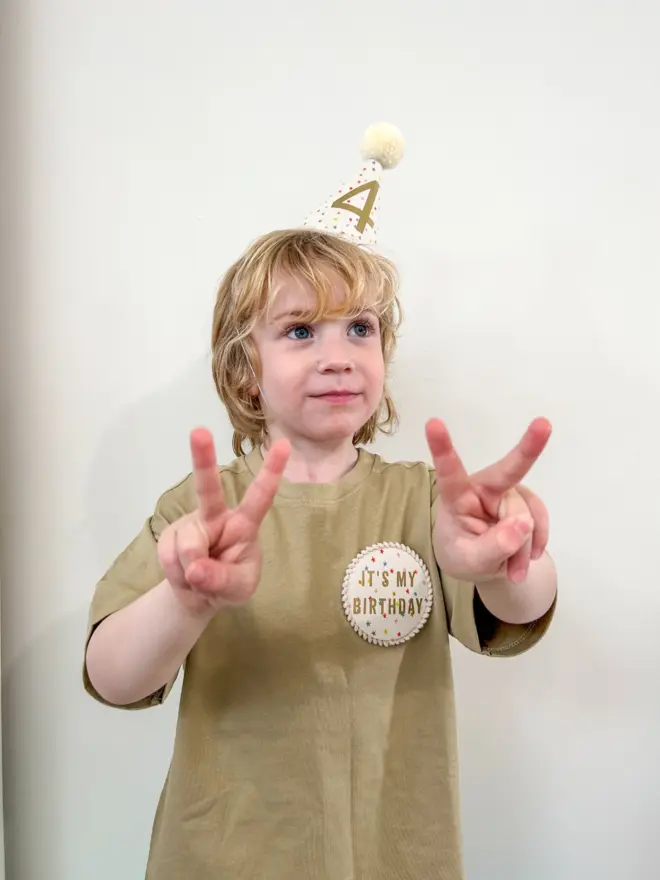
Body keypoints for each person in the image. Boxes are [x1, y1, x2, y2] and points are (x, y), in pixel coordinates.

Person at [83, 124, 557, 880]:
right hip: (226, 857)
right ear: (246, 372)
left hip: (395, 854)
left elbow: (524, 608)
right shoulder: (201, 513)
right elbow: (112, 675)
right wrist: (185, 602)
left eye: (359, 329)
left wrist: (508, 560)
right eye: (300, 330)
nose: (337, 353)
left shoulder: (427, 501)